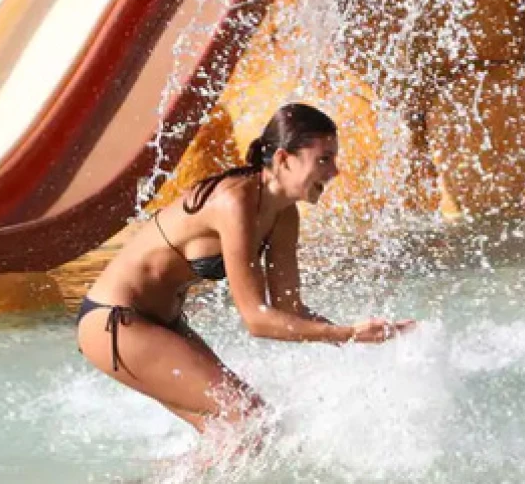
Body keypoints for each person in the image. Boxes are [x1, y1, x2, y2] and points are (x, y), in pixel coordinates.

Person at [74, 103, 414, 433]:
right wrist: (348, 334)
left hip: (163, 325)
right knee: (249, 417)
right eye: (323, 159)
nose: (335, 171)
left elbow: (289, 308)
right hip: (114, 321)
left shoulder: (284, 214)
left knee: (230, 434)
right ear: (283, 159)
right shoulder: (233, 201)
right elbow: (257, 319)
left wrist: (361, 339)